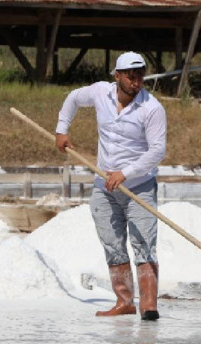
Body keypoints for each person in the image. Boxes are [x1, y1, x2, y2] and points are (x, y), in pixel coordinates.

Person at [55, 51, 167, 321]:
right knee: (113, 243)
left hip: (138, 186)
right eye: (131, 76)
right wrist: (62, 129)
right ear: (117, 76)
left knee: (144, 243)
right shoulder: (99, 93)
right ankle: (124, 301)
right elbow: (72, 99)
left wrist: (125, 173)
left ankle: (148, 306)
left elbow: (157, 151)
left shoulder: (152, 108)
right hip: (104, 186)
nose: (136, 82)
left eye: (140, 76)